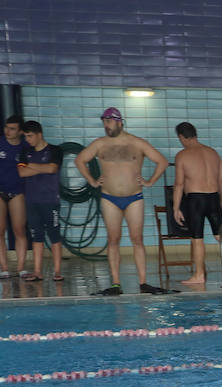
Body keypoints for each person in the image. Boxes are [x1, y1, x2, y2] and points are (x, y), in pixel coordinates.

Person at [75, 107, 171, 295]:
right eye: (104, 123)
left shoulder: (136, 143)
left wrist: (150, 181)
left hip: (134, 197)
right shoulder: (100, 144)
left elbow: (162, 161)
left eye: (109, 122)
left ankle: (143, 283)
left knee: (137, 239)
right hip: (109, 198)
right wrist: (92, 181)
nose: (106, 126)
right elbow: (80, 160)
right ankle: (116, 284)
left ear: (119, 122)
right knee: (113, 240)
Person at [170, 122, 222, 286]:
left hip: (195, 200)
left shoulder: (182, 155)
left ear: (181, 137)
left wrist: (175, 207)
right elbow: (221, 181)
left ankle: (199, 275)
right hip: (214, 198)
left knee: (197, 238)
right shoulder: (213, 153)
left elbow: (179, 184)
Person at [16, 121, 64, 283]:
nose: (27, 139)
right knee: (37, 236)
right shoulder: (25, 152)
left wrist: (32, 166)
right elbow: (22, 172)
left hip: (50, 200)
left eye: (30, 136)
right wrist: (42, 166)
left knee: (54, 235)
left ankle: (57, 271)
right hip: (32, 201)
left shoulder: (55, 150)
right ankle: (37, 271)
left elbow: (52, 169)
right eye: (25, 136)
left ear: (39, 134)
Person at [0, 115, 29, 279]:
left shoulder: (25, 147)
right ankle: (4, 268)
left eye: (12, 129)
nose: (7, 131)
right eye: (6, 127)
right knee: (0, 230)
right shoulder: (0, 143)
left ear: (20, 132)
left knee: (19, 230)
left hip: (17, 191)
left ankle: (20, 268)